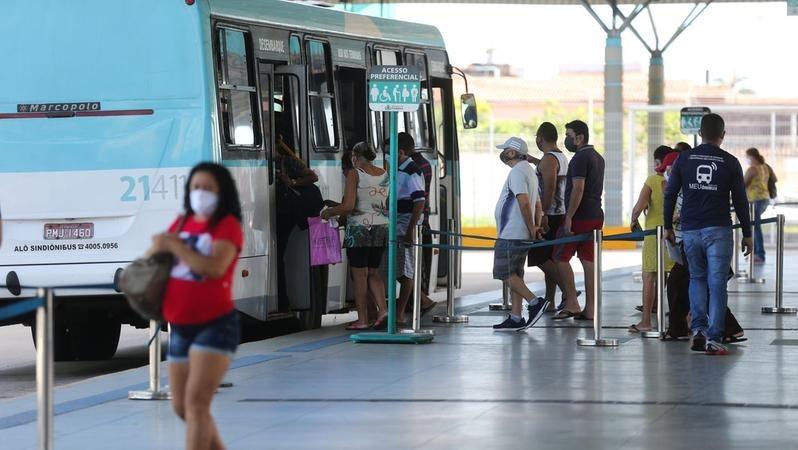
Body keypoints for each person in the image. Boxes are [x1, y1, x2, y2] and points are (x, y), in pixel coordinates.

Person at [148, 162, 244, 450]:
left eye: (208, 188)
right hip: (180, 325)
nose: (200, 193)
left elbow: (214, 267)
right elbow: (159, 259)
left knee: (197, 403)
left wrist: (177, 246)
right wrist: (158, 247)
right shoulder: (182, 222)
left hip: (215, 324)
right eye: (195, 187)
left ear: (221, 192)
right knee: (182, 407)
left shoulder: (227, 225)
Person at [664, 113, 753, 355]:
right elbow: (741, 201)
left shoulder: (684, 159)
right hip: (719, 230)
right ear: (723, 135)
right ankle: (714, 338)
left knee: (697, 279)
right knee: (717, 284)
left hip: (691, 230)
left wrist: (668, 227)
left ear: (700, 133)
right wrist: (747, 233)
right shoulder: (731, 162)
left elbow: (670, 193)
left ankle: (699, 331)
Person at [322, 142, 389, 330]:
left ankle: (362, 320)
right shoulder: (384, 174)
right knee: (373, 272)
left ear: (355, 157)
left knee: (359, 275)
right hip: (381, 228)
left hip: (360, 230)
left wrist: (329, 212)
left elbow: (348, 206)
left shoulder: (355, 173)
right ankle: (383, 311)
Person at [491, 137, 548, 331]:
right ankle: (516, 317)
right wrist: (535, 227)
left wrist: (532, 228)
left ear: (512, 152)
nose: (502, 153)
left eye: (505, 150)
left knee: (503, 272)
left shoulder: (517, 172)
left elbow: (523, 202)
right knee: (516, 274)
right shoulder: (530, 172)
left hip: (511, 233)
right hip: (521, 234)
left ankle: (535, 302)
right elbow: (537, 205)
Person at [553, 120, 604, 321]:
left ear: (579, 137)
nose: (566, 139)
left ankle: (572, 302)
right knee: (588, 260)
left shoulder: (580, 158)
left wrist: (569, 217)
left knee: (560, 257)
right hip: (595, 215)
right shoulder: (598, 157)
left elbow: (578, 188)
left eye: (568, 135)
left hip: (579, 217)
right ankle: (590, 309)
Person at [525, 122, 571, 313]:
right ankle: (550, 300)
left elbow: (549, 187)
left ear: (540, 138)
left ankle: (569, 291)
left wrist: (542, 214)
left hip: (550, 215)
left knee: (538, 257)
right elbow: (547, 170)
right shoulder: (559, 157)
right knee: (550, 258)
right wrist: (534, 160)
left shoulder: (549, 159)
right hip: (559, 213)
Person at [628, 145, 675, 333]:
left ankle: (646, 321)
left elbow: (638, 207)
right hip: (673, 235)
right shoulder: (678, 180)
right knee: (675, 278)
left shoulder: (653, 180)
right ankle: (682, 320)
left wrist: (634, 221)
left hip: (654, 236)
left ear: (658, 162)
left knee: (649, 277)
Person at [391, 133, 434, 324]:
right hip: (397, 225)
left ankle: (401, 313)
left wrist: (410, 230)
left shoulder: (413, 170)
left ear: (400, 152)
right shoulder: (398, 169)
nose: (386, 155)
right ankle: (422, 301)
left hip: (405, 226)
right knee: (398, 269)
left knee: (406, 271)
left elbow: (419, 201)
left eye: (389, 151)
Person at [275, 137, 320, 311]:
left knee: (278, 254)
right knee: (278, 254)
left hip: (286, 212)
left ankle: (283, 300)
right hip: (277, 212)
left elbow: (313, 176)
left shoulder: (287, 162)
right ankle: (282, 300)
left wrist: (292, 182)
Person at [404, 133, 438, 316]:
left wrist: (411, 228)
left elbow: (418, 199)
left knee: (412, 268)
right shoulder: (419, 163)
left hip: (417, 224)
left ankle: (421, 301)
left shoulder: (416, 166)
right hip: (418, 222)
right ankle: (418, 301)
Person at [744, 147, 773, 263]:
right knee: (755, 225)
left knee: (756, 227)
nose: (746, 159)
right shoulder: (765, 167)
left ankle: (759, 254)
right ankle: (755, 254)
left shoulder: (752, 169)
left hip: (755, 200)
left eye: (747, 157)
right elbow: (774, 179)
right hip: (765, 199)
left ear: (751, 157)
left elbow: (742, 184)